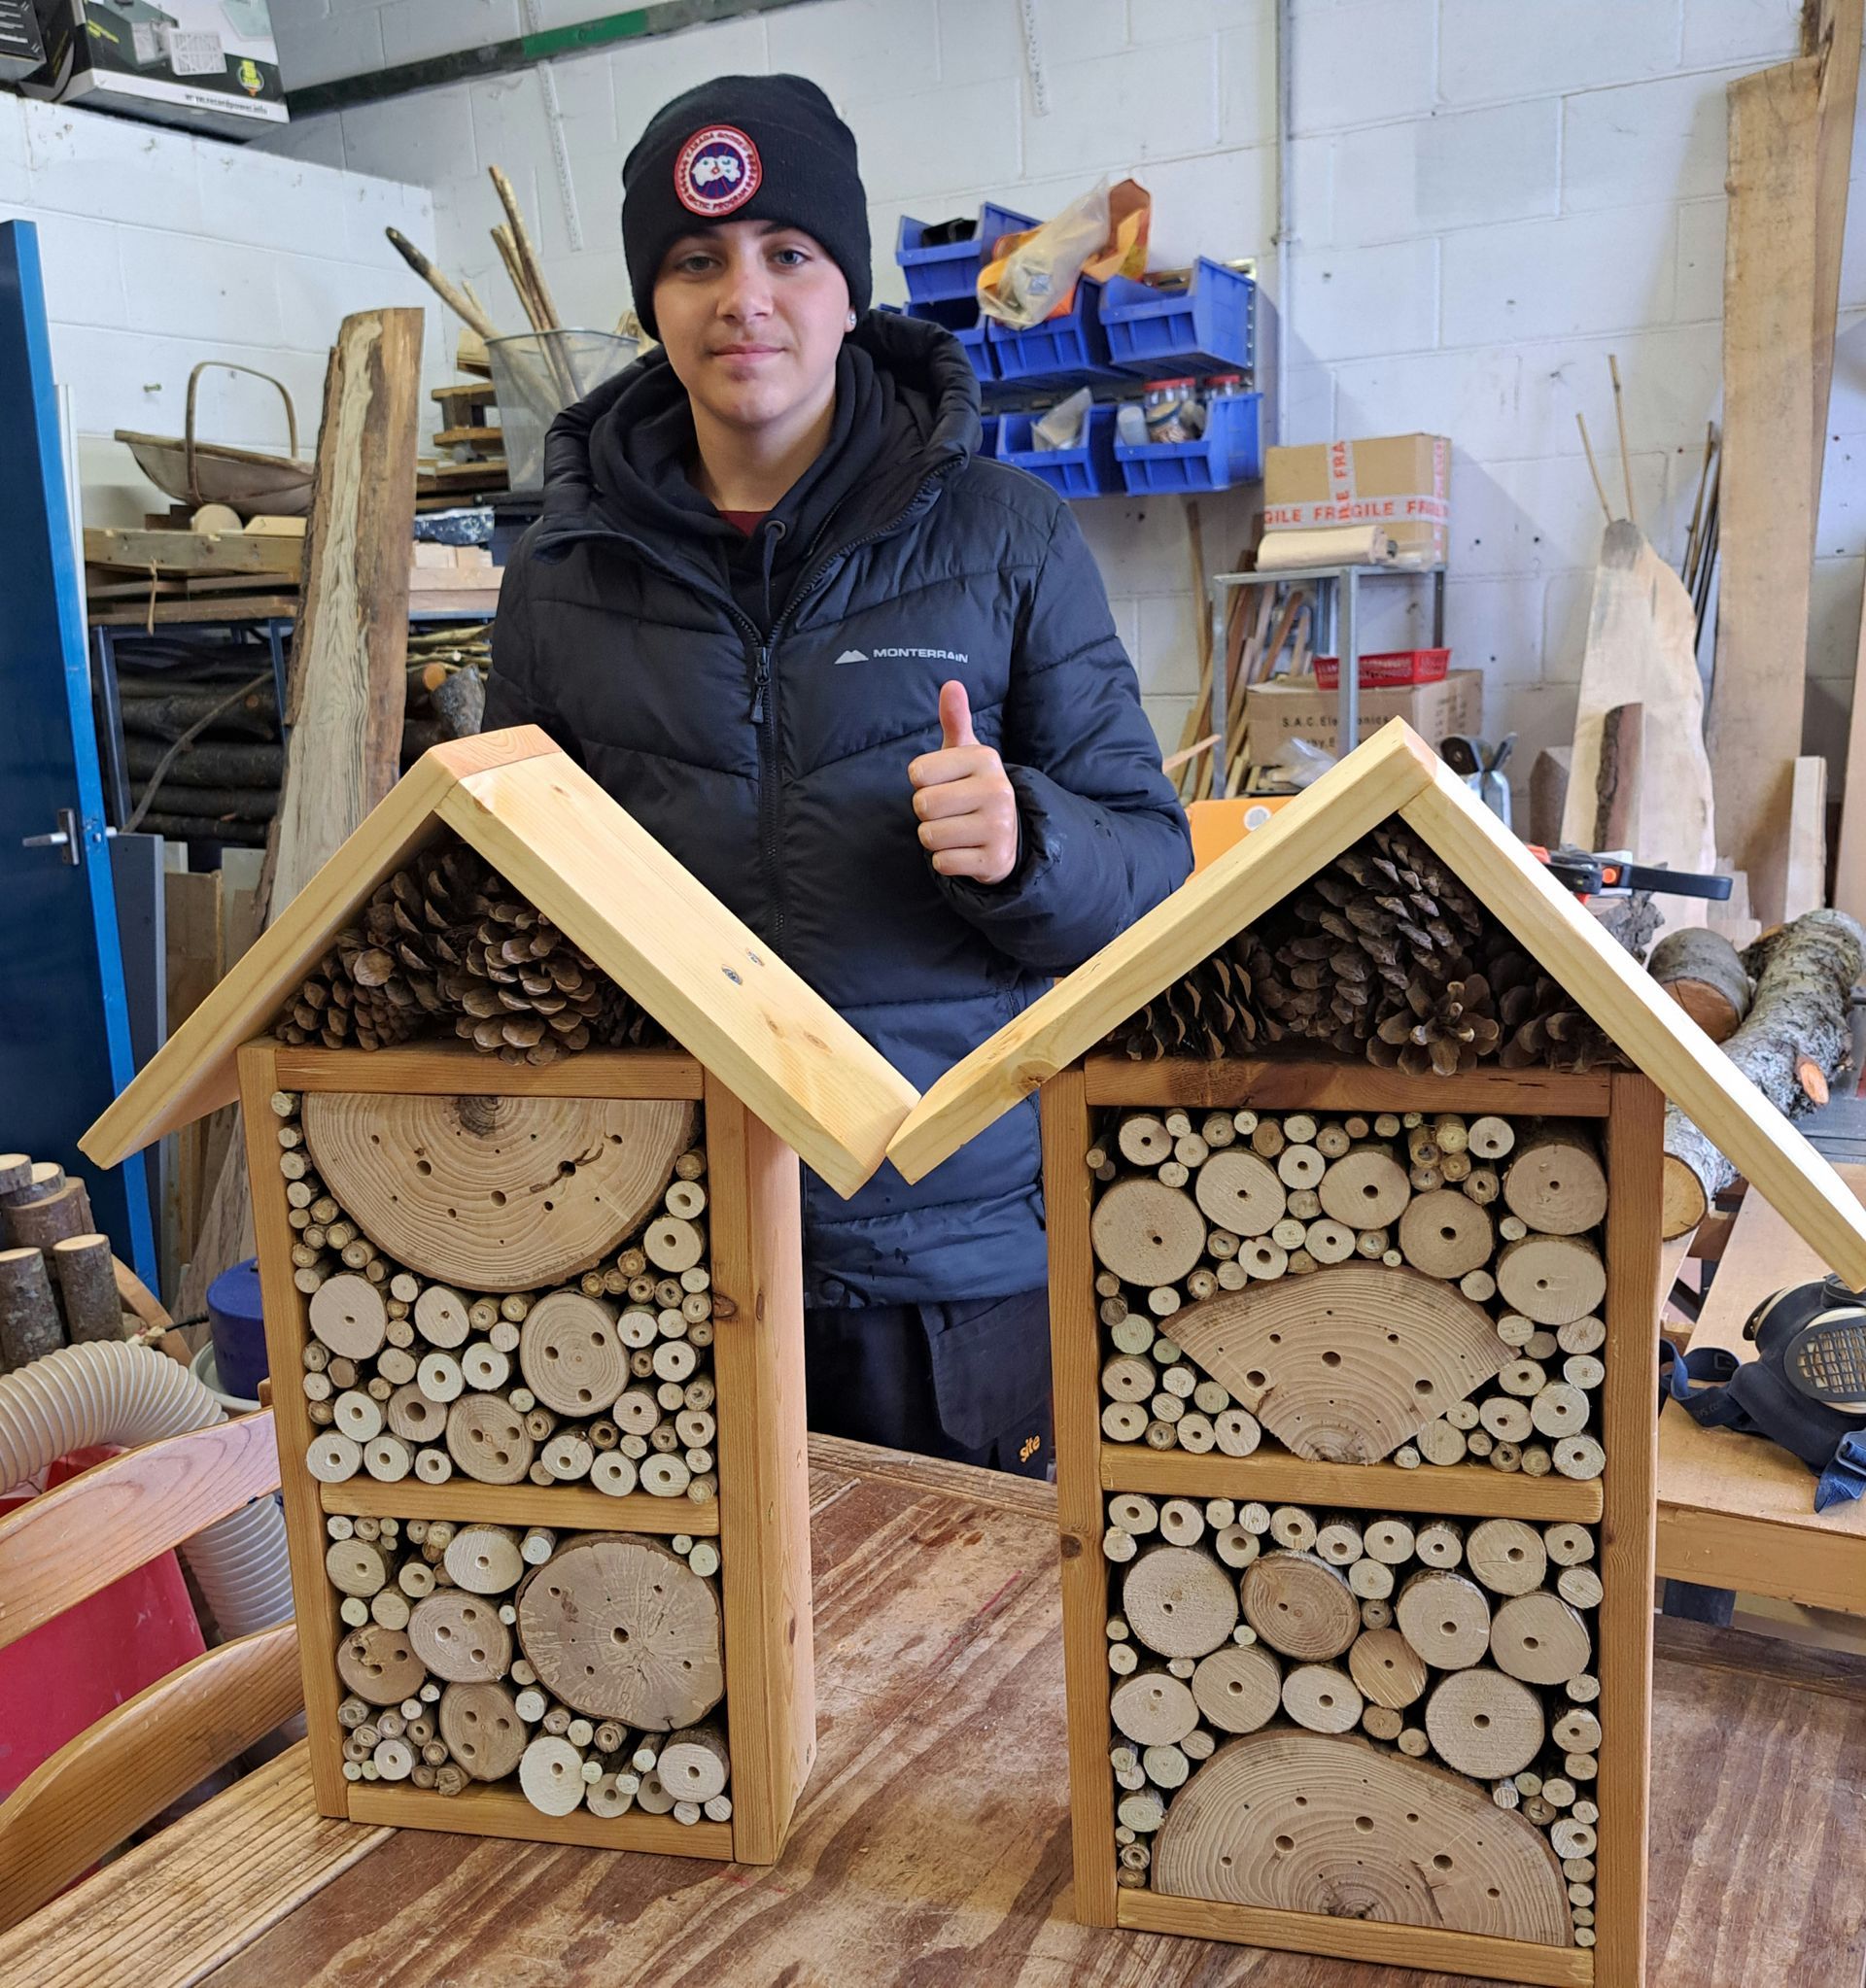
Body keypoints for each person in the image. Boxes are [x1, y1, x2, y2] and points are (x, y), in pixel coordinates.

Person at [484, 74, 1192, 1478]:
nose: (743, 296)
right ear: (652, 302)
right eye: (695, 261)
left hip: (946, 1258)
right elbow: (510, 911)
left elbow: (1152, 868)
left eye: (787, 254)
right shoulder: (561, 578)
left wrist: (1024, 841)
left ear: (849, 289)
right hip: (664, 1246)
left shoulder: (1006, 536)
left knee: (965, 1678)